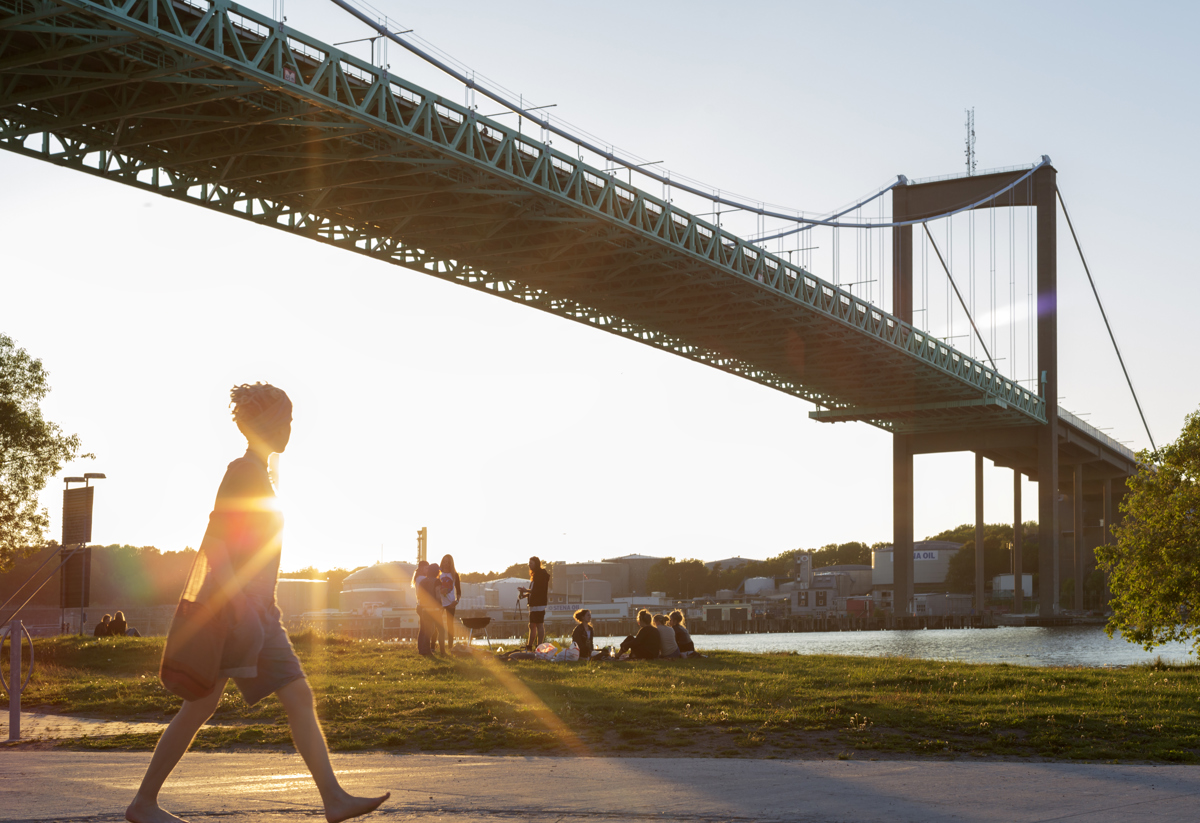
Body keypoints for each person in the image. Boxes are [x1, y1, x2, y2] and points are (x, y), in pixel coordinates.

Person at [125, 382, 389, 823]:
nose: (289, 428)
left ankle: (333, 799)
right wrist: (239, 607)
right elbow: (219, 543)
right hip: (243, 614)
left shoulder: (258, 473)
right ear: (267, 423)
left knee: (279, 698)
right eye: (285, 420)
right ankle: (143, 803)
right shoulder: (243, 472)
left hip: (261, 612)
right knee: (214, 703)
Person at [521, 556, 550, 651]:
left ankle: (539, 646)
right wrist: (525, 594)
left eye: (531, 563)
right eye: (529, 563)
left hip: (539, 604)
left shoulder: (540, 575)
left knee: (539, 625)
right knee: (532, 625)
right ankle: (530, 646)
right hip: (534, 604)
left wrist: (526, 590)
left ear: (536, 564)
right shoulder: (536, 575)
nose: (529, 565)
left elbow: (538, 590)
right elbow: (534, 591)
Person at [418, 563, 444, 654]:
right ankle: (443, 652)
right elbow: (438, 595)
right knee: (441, 630)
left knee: (428, 631)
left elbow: (419, 596)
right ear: (436, 571)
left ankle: (424, 650)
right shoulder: (437, 581)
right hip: (435, 610)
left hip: (425, 609)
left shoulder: (422, 582)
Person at [438, 554, 461, 652]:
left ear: (451, 563)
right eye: (445, 561)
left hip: (450, 603)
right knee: (438, 625)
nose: (446, 564)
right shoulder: (438, 573)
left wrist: (456, 601)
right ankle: (436, 647)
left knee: (450, 625)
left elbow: (459, 591)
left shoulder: (455, 575)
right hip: (439, 603)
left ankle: (450, 647)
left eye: (448, 562)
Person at [411, 560, 430, 655]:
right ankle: (425, 649)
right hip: (423, 606)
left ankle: (421, 648)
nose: (428, 570)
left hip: (419, 605)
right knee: (426, 629)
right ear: (422, 568)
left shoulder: (417, 578)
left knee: (422, 629)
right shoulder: (423, 579)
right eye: (426, 568)